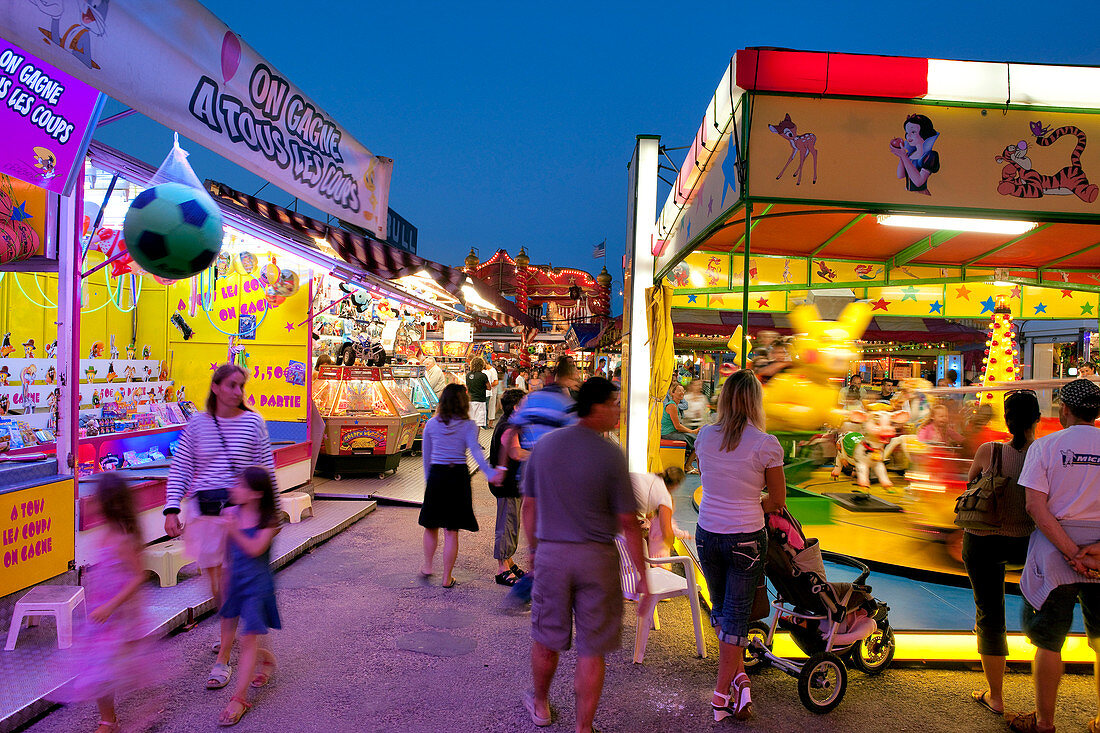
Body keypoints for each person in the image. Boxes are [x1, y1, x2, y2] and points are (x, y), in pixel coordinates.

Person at [522, 377, 647, 733]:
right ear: (596, 406)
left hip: (552, 555)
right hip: (597, 560)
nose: (618, 410)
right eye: (614, 403)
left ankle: (541, 705)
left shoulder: (545, 447)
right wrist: (642, 575)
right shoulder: (610, 455)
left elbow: (529, 507)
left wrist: (534, 549)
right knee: (592, 649)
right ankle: (584, 727)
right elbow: (628, 522)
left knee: (547, 638)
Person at [163, 364, 276, 689]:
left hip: (238, 517)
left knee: (228, 587)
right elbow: (182, 465)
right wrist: (172, 508)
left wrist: (273, 514)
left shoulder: (254, 423)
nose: (238, 392)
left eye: (241, 386)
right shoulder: (198, 424)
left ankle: (223, 658)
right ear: (215, 387)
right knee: (214, 586)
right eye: (231, 385)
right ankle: (241, 636)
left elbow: (265, 469)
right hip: (203, 514)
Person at [1007, 380, 1100, 733]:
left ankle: (1045, 722)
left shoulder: (1046, 446)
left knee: (1048, 641)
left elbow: (1036, 506)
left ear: (1063, 410)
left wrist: (1073, 553)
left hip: (1055, 556)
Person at [695, 370, 787, 722]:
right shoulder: (766, 444)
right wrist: (753, 502)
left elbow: (710, 479)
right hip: (746, 537)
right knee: (735, 617)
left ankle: (738, 678)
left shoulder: (704, 436)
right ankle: (720, 696)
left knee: (721, 611)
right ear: (755, 402)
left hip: (708, 533)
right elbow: (777, 500)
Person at [55, 474, 157, 733]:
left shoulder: (123, 538)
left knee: (124, 669)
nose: (92, 502)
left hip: (119, 616)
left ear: (109, 503)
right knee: (98, 668)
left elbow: (137, 577)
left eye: (97, 498)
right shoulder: (106, 534)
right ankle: (108, 720)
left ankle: (142, 710)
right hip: (102, 617)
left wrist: (112, 606)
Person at [963, 391, 1041, 719]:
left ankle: (996, 696)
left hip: (983, 540)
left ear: (1005, 420)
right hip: (1028, 541)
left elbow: (969, 486)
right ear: (1037, 419)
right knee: (1043, 610)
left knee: (990, 614)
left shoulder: (989, 451)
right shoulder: (1044, 452)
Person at [216, 466, 283, 727]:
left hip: (257, 585)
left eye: (240, 485)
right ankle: (265, 660)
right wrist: (224, 578)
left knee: (246, 638)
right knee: (247, 639)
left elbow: (255, 549)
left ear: (256, 493)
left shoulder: (269, 520)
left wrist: (233, 530)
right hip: (236, 581)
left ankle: (239, 698)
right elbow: (227, 552)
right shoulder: (230, 512)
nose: (234, 488)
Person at [419, 384, 501, 587]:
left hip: (437, 475)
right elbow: (476, 453)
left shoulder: (431, 424)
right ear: (464, 403)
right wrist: (490, 473)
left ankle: (428, 566)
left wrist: (430, 482)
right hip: (457, 477)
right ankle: (447, 578)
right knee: (451, 529)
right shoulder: (469, 425)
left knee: (430, 525)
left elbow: (426, 456)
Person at [490, 388, 528, 586]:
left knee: (511, 523)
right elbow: (515, 453)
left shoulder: (510, 423)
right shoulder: (508, 427)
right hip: (507, 484)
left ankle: (509, 561)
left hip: (509, 482)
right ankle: (502, 569)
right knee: (507, 524)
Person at [511, 356, 579, 452]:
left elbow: (514, 426)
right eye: (575, 378)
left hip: (532, 457)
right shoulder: (565, 404)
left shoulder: (534, 397)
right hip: (548, 457)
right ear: (566, 377)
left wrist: (515, 450)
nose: (577, 382)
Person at [631, 467, 690, 560]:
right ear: (676, 485)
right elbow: (667, 532)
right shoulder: (664, 498)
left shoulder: (652, 477)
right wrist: (671, 544)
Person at [662, 383, 699, 473]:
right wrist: (692, 431)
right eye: (679, 391)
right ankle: (688, 465)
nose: (681, 393)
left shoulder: (675, 405)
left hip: (672, 432)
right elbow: (677, 426)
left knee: (698, 439)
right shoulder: (672, 406)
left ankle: (688, 465)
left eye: (683, 391)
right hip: (668, 434)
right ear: (673, 393)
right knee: (698, 441)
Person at [465, 356, 490, 428]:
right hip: (480, 400)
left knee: (470, 422)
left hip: (470, 400)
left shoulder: (468, 375)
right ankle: (476, 438)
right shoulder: (483, 376)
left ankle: (469, 438)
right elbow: (489, 387)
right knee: (478, 423)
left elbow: (467, 386)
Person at [485, 358, 500, 428]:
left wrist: (488, 386)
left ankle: (490, 423)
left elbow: (496, 382)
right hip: (488, 391)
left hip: (492, 391)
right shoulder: (487, 371)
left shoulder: (492, 371)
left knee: (491, 406)